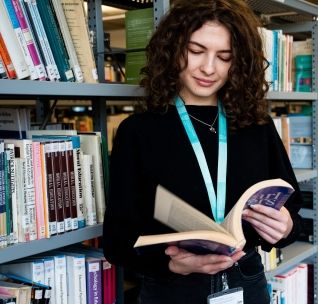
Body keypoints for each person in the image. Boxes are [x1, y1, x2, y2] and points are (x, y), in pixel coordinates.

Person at [102, 1, 304, 303]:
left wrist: (285, 226)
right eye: (196, 51)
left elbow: (294, 214)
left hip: (246, 281)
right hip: (171, 289)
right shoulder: (138, 131)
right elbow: (116, 241)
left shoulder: (256, 127)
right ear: (173, 49)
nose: (209, 68)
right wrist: (170, 263)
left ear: (238, 63)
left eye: (224, 57)